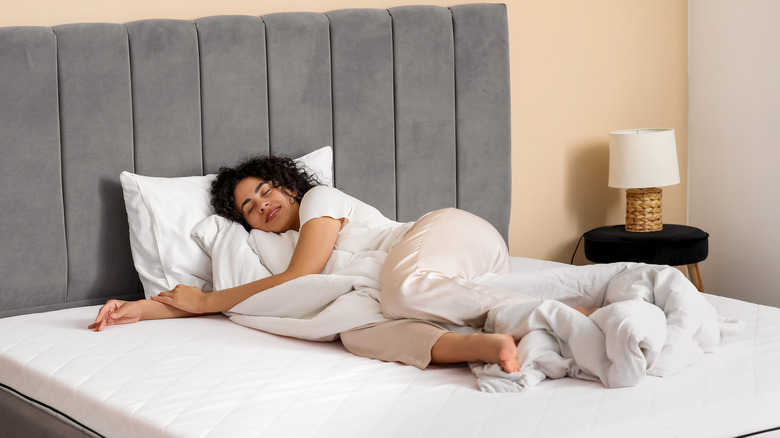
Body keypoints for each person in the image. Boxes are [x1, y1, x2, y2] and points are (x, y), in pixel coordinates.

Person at [91, 155, 594, 373]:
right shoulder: (267, 253)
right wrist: (135, 309)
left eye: (266, 189)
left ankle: (546, 312)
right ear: (250, 226)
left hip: (445, 235)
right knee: (355, 332)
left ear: (289, 184)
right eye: (249, 207)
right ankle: (486, 344)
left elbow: (300, 279)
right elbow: (240, 300)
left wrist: (205, 300)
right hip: (405, 282)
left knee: (401, 292)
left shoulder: (320, 200)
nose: (262, 203)